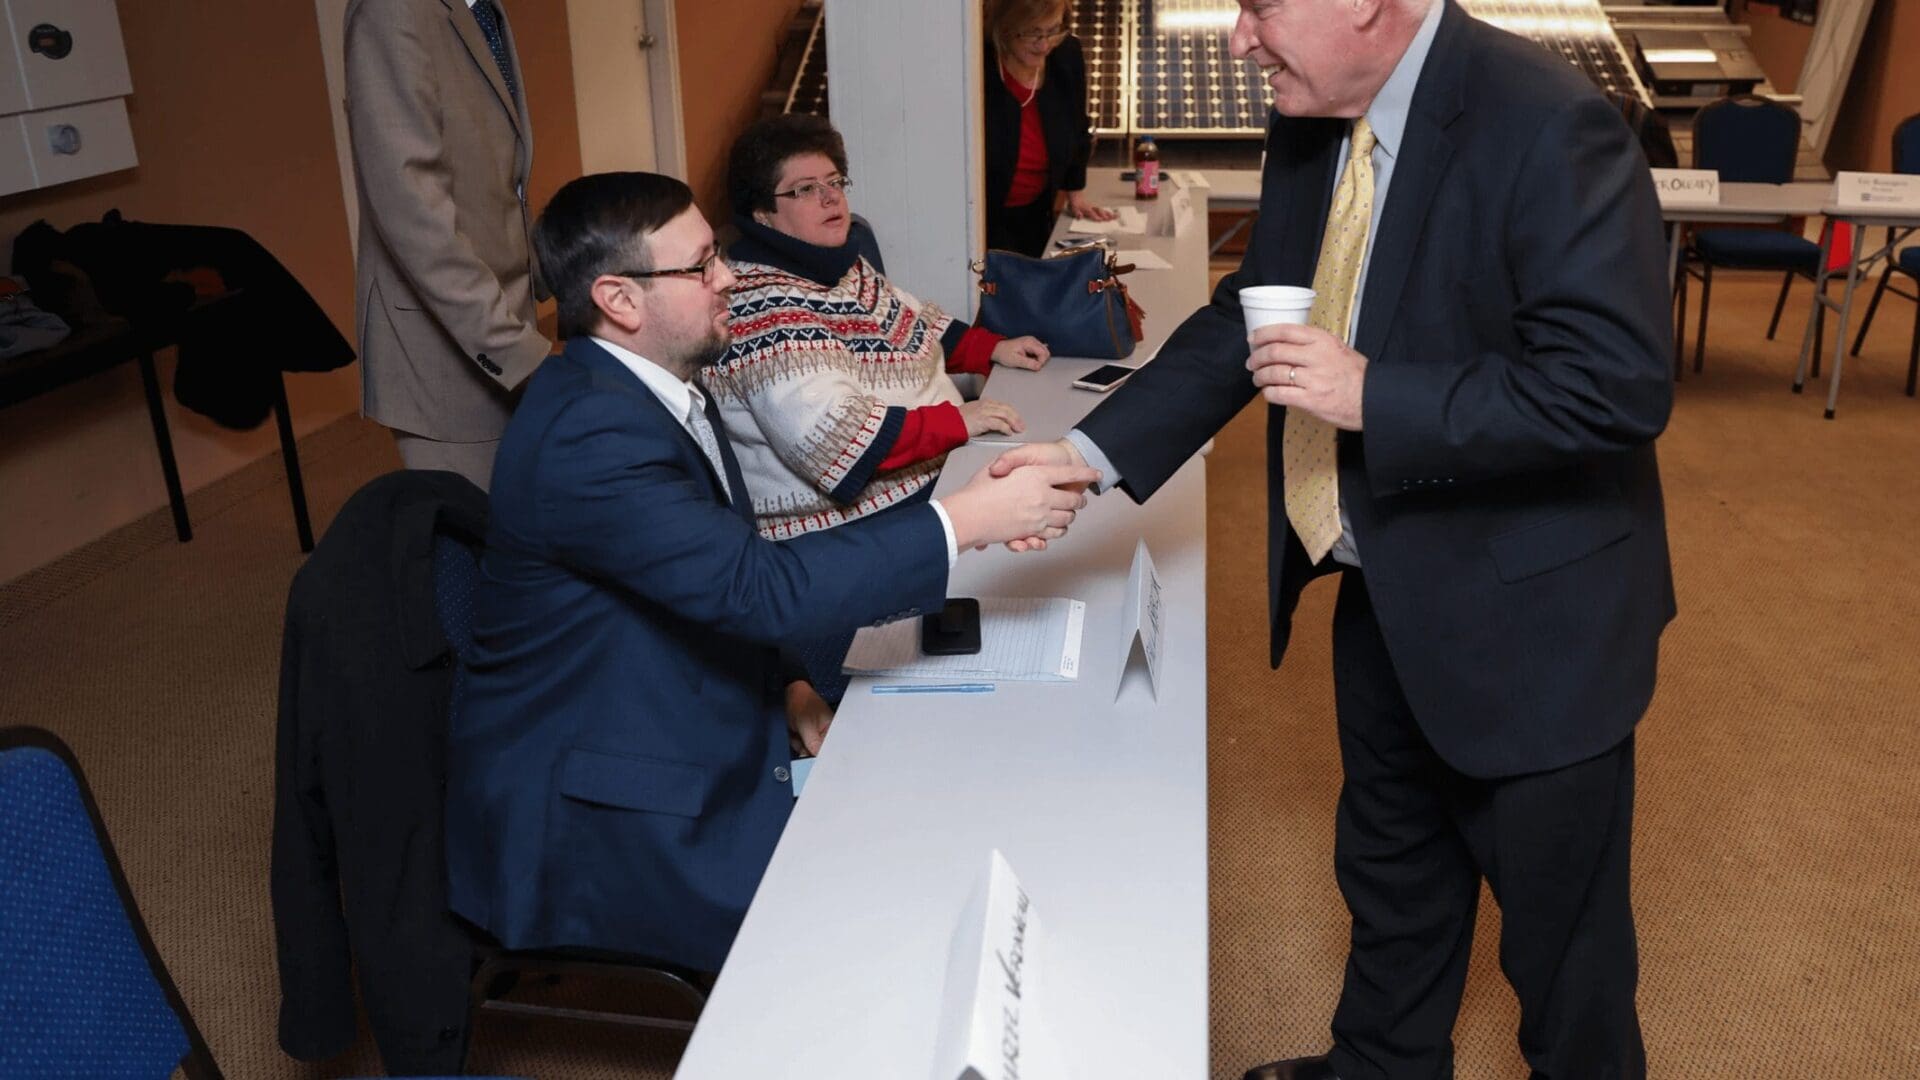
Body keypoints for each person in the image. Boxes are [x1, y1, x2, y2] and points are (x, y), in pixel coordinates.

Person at [991, 2, 1676, 1077]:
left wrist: (1378, 396)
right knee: (1393, 870)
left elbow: (1615, 387)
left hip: (1535, 621)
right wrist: (1090, 454)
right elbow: (1249, 317)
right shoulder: (1314, 107)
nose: (1237, 40)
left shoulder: (1549, 123)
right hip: (1384, 572)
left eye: (1260, 6)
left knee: (1565, 958)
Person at [442, 172, 1097, 974]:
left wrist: (787, 679)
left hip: (677, 702)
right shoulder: (588, 434)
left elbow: (711, 573)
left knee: (949, 787)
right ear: (619, 299)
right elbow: (757, 588)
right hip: (597, 802)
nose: (730, 282)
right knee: (889, 917)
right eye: (702, 266)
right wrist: (965, 521)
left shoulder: (652, 387)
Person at [709, 113, 1052, 698]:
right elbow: (840, 445)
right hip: (845, 532)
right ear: (762, 212)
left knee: (1050, 514)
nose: (830, 198)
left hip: (923, 482)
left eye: (835, 182)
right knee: (1026, 573)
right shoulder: (760, 304)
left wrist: (992, 348)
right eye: (804, 189)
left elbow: (916, 322)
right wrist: (957, 421)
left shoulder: (838, 261)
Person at [344, 0, 550, 490]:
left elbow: (498, 180)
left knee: (521, 523)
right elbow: (416, 216)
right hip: (445, 338)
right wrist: (519, 354)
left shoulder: (481, 6)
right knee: (478, 535)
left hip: (500, 310)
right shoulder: (389, 13)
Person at [983, 0, 1118, 256]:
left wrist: (1075, 192)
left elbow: (1078, 125)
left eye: (1053, 30)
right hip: (984, 214)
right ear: (1006, 27)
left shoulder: (1066, 54)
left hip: (1037, 211)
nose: (1044, 45)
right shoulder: (980, 67)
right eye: (1033, 32)